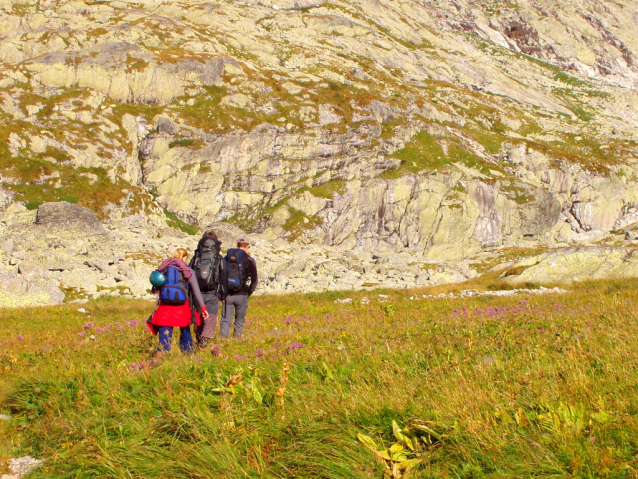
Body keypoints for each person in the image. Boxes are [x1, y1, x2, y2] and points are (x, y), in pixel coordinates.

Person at [149, 248, 209, 353]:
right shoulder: (187, 271)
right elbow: (196, 291)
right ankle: (188, 353)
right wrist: (203, 308)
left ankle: (162, 354)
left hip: (165, 305)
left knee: (165, 330)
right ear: (184, 257)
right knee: (185, 329)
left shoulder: (164, 268)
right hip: (182, 306)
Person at [189, 229, 228, 348]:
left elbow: (189, 273)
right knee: (210, 319)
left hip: (197, 293)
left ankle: (198, 342)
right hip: (213, 293)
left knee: (199, 317)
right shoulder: (218, 258)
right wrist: (223, 295)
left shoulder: (196, 256)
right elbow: (224, 276)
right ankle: (204, 345)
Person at [220, 237, 258, 338]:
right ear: (248, 246)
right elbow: (254, 281)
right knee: (239, 321)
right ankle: (236, 341)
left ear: (237, 245)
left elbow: (221, 276)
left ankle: (223, 342)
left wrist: (222, 292)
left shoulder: (227, 258)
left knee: (225, 320)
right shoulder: (250, 260)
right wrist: (248, 293)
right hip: (242, 294)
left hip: (227, 294)